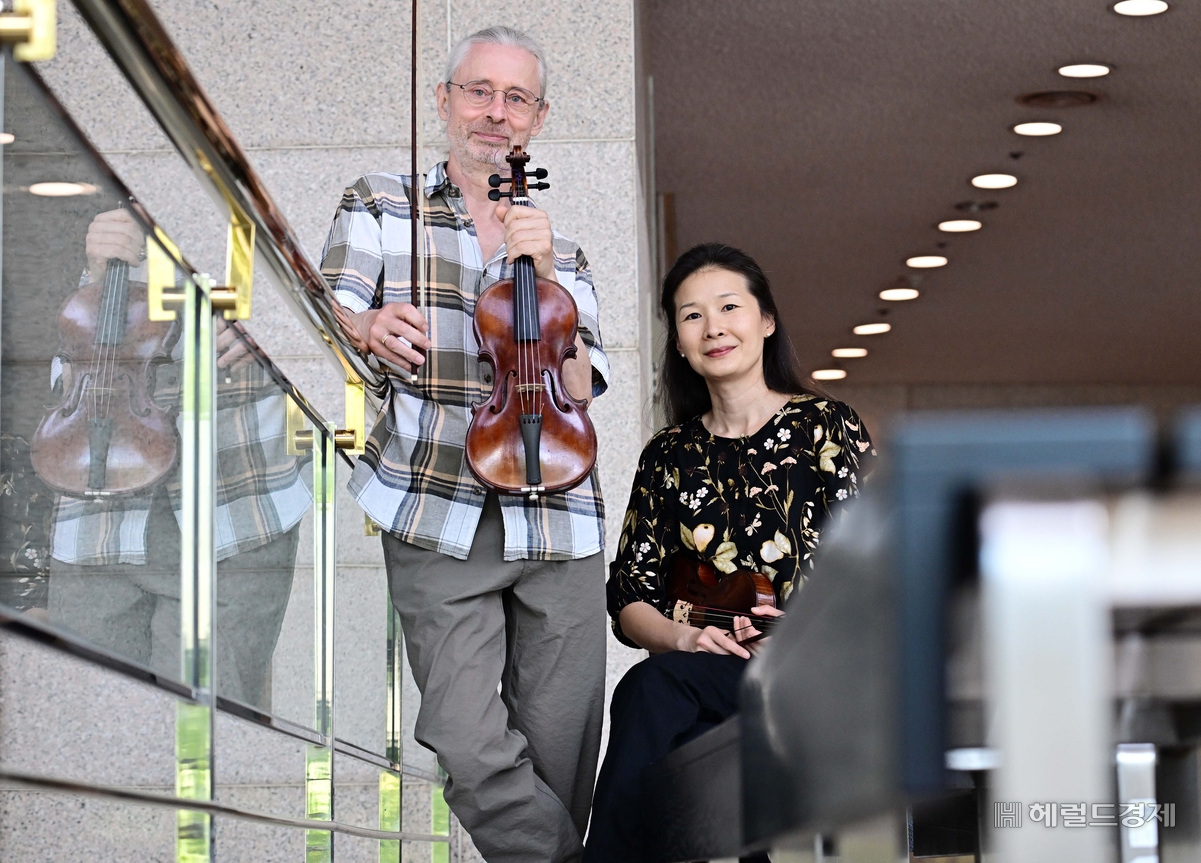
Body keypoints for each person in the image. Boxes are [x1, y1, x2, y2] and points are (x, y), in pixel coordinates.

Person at [321, 26, 609, 863]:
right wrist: (366, 323)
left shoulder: (566, 252)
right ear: (443, 101)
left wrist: (547, 272)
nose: (495, 112)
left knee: (559, 751)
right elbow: (325, 310)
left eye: (516, 98)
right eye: (479, 91)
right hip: (434, 505)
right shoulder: (380, 205)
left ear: (539, 119)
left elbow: (583, 388)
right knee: (463, 734)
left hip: (557, 518)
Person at [584, 243, 874, 861]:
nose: (713, 327)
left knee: (657, 703)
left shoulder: (826, 427)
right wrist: (688, 639)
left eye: (729, 307)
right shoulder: (668, 453)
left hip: (816, 675)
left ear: (766, 321)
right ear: (680, 344)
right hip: (717, 675)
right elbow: (630, 597)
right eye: (691, 316)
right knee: (670, 706)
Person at [42, 208, 310, 707]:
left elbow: (339, 328)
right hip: (99, 513)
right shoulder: (113, 219)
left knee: (206, 736)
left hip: (234, 510)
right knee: (93, 730)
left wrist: (279, 321)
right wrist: (97, 277)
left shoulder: (270, 198)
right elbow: (65, 387)